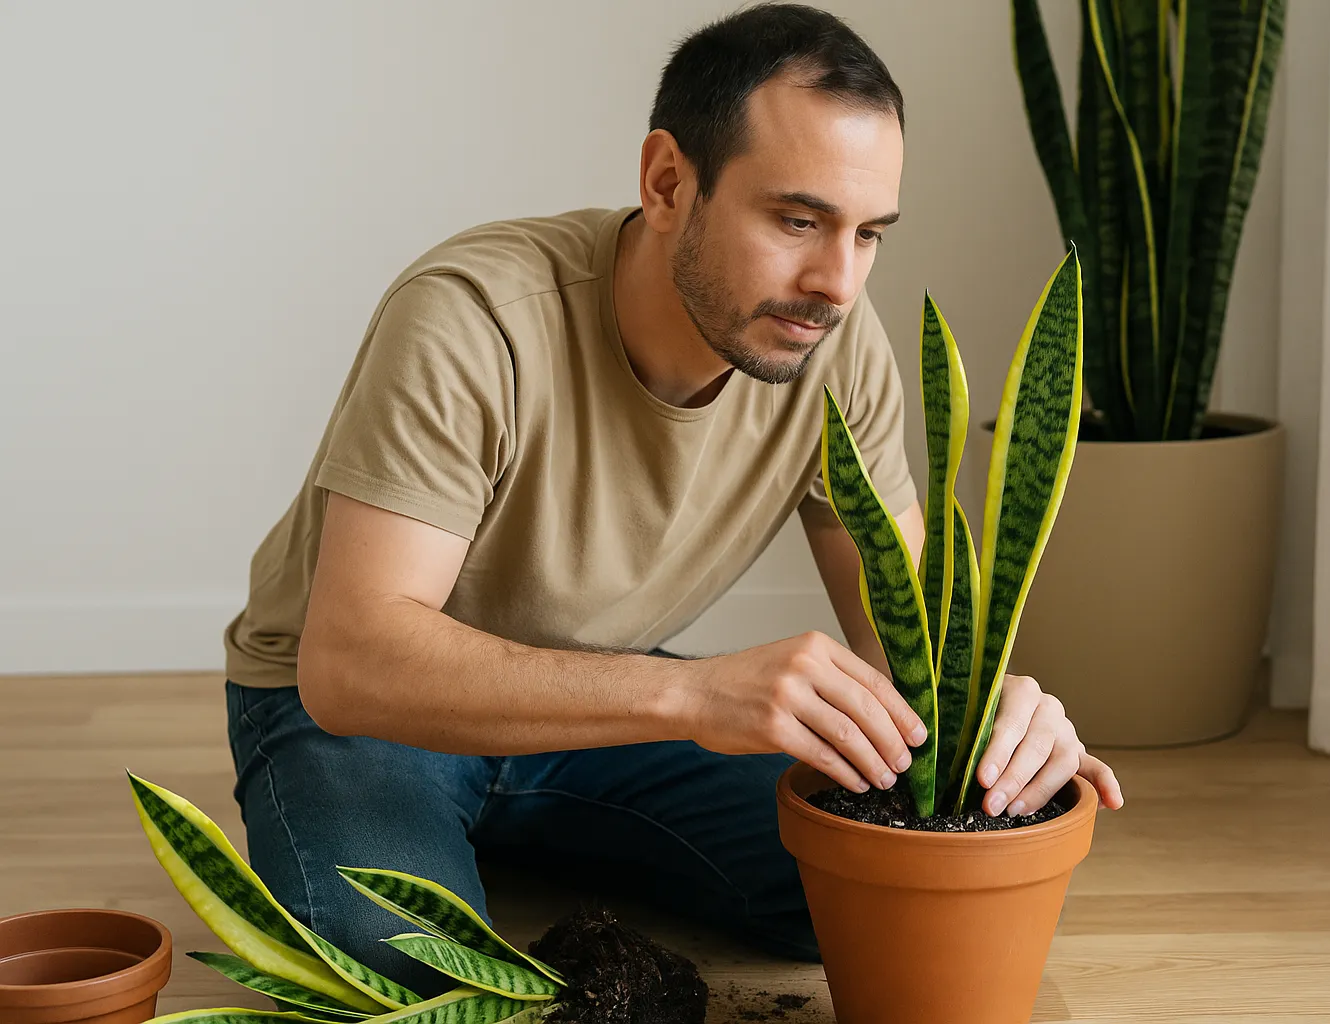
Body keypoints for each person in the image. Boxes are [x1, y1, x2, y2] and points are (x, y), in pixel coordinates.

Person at [222, 1, 1123, 995]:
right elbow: (352, 662)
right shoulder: (472, 319)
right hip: (362, 718)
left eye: (869, 233)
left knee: (867, 885)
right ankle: (449, 832)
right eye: (796, 219)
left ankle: (513, 835)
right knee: (420, 979)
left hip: (601, 709)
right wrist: (692, 694)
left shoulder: (832, 340)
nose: (835, 281)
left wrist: (1000, 719)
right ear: (665, 183)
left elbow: (907, 641)